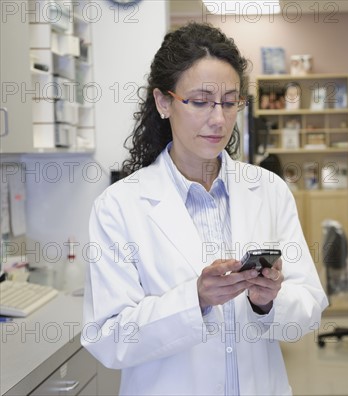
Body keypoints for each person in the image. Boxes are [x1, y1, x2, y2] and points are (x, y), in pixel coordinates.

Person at [82, 22, 328, 396]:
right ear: (164, 102)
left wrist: (268, 302)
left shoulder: (269, 191)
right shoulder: (119, 207)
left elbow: (309, 308)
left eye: (230, 102)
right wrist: (194, 300)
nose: (218, 119)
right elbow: (109, 337)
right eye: (200, 102)